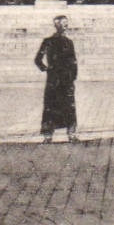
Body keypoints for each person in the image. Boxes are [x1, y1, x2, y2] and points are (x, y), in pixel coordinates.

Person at [34, 15, 79, 143]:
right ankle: (48, 135)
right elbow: (38, 59)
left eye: (66, 23)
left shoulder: (69, 42)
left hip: (66, 80)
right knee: (51, 106)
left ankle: (71, 134)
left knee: (69, 106)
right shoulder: (48, 41)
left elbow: (73, 61)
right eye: (63, 23)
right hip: (53, 80)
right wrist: (47, 69)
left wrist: (73, 76)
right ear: (56, 25)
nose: (66, 26)